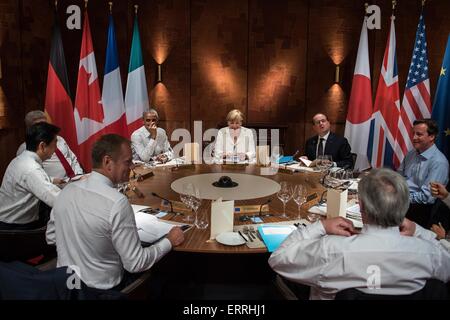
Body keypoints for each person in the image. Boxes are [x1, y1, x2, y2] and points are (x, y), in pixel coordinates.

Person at [268, 168, 450, 300]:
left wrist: (321, 226)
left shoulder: (331, 250)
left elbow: (278, 258)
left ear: (361, 207)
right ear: (404, 206)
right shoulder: (430, 253)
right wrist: (419, 231)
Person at [46, 134, 184, 290]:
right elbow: (136, 263)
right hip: (103, 292)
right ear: (107, 162)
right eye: (127, 162)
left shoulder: (66, 191)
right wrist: (169, 241)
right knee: (170, 277)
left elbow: (51, 237)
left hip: (65, 286)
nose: (132, 166)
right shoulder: (117, 203)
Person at [0, 122, 61, 229]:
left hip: (8, 221)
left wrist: (55, 180)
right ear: (42, 146)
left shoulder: (21, 159)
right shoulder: (31, 169)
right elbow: (57, 200)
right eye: (55, 143)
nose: (56, 148)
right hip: (16, 228)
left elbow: (28, 181)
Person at [17, 110, 83, 182]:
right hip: (55, 184)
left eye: (45, 125)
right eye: (40, 127)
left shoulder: (60, 139)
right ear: (30, 129)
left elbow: (73, 158)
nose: (45, 129)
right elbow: (33, 175)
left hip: (74, 179)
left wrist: (79, 175)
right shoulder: (25, 149)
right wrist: (53, 180)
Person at [397, 119, 449, 205]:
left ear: (431, 137)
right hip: (401, 198)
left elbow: (428, 197)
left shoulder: (439, 162)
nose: (414, 138)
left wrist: (399, 199)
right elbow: (398, 177)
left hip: (419, 208)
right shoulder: (411, 153)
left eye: (419, 134)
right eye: (413, 133)